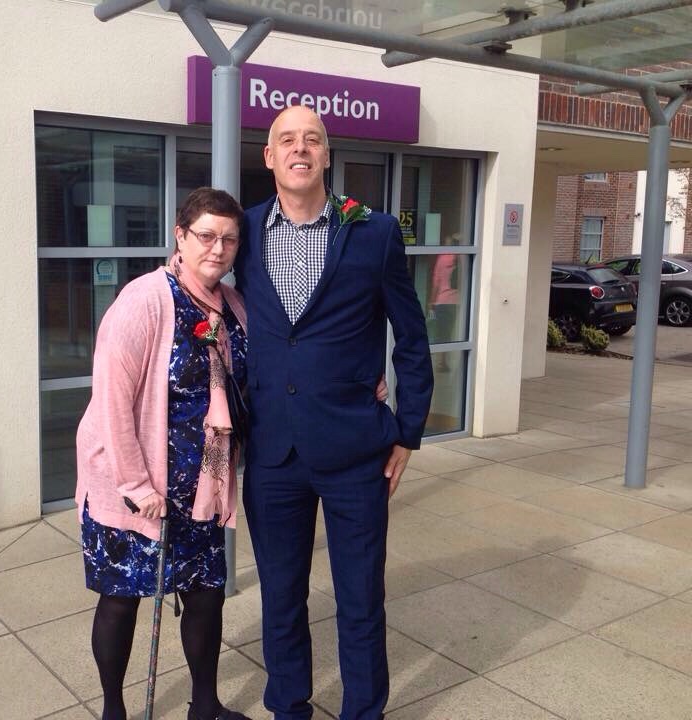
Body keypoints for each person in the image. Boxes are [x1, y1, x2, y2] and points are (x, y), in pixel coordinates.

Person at [234, 106, 434, 720]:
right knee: (282, 599)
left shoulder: (372, 232)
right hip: (272, 454)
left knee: (360, 600)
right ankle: (288, 707)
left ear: (327, 155)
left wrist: (408, 432)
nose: (300, 149)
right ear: (268, 157)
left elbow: (412, 335)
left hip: (355, 452)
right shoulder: (240, 233)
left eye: (312, 139)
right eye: (286, 140)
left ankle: (362, 711)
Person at [75, 187, 252, 720]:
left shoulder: (234, 305)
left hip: (202, 487)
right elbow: (111, 402)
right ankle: (113, 710)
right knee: (122, 598)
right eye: (205, 236)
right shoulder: (143, 300)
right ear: (181, 236)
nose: (217, 249)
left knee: (205, 596)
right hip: (136, 488)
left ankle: (206, 705)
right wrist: (136, 487)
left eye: (228, 239)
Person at [428, 233, 460, 370]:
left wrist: (431, 302)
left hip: (442, 301)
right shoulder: (459, 257)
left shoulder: (442, 258)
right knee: (448, 332)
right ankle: (444, 361)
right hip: (455, 301)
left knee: (441, 332)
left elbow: (436, 283)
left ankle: (441, 361)